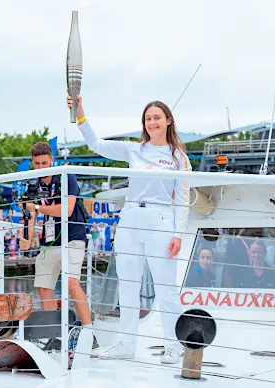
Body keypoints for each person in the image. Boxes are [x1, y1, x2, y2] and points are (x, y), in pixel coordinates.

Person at [67, 94, 191, 364]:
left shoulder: (178, 156)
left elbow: (183, 199)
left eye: (157, 117)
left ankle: (173, 345)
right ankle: (126, 344)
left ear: (168, 121)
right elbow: (96, 144)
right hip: (131, 217)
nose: (152, 122)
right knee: (128, 285)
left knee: (166, 286)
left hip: (161, 220)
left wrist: (178, 235)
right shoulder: (134, 149)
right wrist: (80, 113)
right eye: (148, 118)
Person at [19, 142, 98, 349]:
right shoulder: (33, 184)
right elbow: (30, 215)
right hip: (49, 241)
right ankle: (55, 334)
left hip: (73, 237)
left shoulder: (66, 177)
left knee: (72, 284)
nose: (41, 167)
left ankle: (89, 332)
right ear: (33, 163)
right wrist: (26, 237)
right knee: (44, 288)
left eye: (44, 162)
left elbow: (67, 209)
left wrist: (35, 206)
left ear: (52, 160)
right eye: (36, 164)